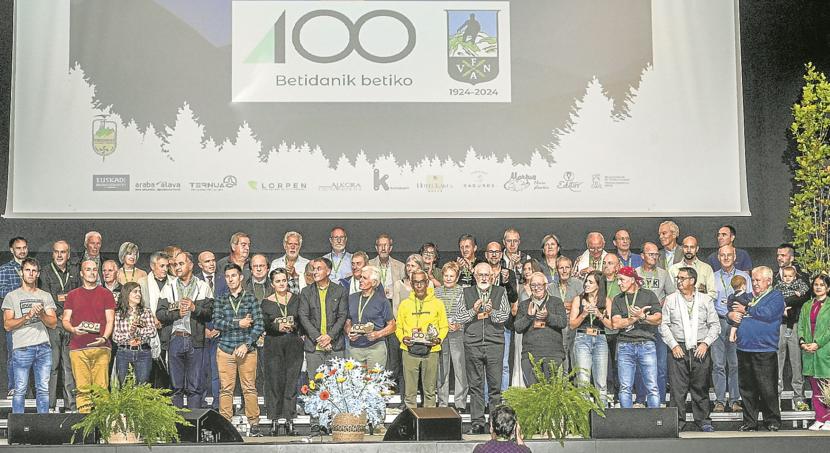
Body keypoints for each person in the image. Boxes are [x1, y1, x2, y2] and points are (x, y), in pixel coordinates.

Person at [659, 267, 720, 432]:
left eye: (682, 278)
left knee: (700, 387)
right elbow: (663, 325)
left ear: (692, 280)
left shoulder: (705, 299)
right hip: (678, 348)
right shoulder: (671, 299)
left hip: (700, 348)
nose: (679, 281)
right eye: (678, 278)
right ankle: (677, 422)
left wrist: (706, 343)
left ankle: (703, 420)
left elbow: (715, 325)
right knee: (677, 389)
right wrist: (673, 345)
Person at [453, 262, 510, 434]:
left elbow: (505, 316)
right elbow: (458, 316)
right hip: (473, 343)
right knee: (475, 385)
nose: (484, 278)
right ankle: (477, 423)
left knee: (495, 386)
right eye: (481, 275)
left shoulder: (501, 292)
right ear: (475, 276)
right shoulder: (465, 292)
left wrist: (492, 311)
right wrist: (473, 310)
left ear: (492, 276)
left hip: (494, 343)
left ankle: (496, 424)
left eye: (487, 275)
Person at [729, 266, 785, 431]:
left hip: (764, 349)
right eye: (753, 280)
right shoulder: (746, 296)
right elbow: (732, 306)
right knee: (747, 389)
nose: (754, 283)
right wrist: (730, 315)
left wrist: (746, 309)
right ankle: (750, 421)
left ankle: (772, 420)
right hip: (744, 348)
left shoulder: (776, 296)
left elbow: (767, 313)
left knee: (767, 387)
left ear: (769, 281)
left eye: (758, 280)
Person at [212, 263, 264, 435]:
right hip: (225, 349)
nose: (230, 279)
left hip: (246, 350)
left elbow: (259, 325)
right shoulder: (220, 299)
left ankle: (254, 424)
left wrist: (247, 344)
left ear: (241, 277)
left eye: (233, 275)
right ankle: (225, 426)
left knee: (249, 387)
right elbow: (217, 323)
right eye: (227, 276)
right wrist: (239, 323)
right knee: (225, 389)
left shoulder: (250, 299)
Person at [157, 251, 214, 409]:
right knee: (176, 387)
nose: (177, 267)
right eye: (175, 265)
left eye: (181, 264)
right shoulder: (169, 287)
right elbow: (160, 313)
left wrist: (194, 308)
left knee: (194, 386)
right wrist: (176, 314)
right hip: (175, 339)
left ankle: (192, 427)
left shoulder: (203, 287)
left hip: (194, 340)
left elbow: (210, 314)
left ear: (191, 265)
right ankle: (178, 427)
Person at [2, 258, 57, 414]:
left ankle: (43, 427)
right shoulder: (11, 296)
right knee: (20, 389)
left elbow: (53, 322)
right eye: (27, 270)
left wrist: (40, 314)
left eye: (34, 271)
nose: (31, 273)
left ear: (38, 274)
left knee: (43, 389)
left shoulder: (45, 295)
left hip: (43, 347)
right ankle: (18, 428)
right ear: (21, 273)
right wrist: (27, 316)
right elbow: (7, 325)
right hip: (22, 348)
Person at [63, 259, 115, 413]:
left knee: (102, 390)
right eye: (88, 269)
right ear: (81, 273)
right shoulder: (72, 295)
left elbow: (110, 319)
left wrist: (104, 338)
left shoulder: (106, 294)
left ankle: (102, 428)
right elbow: (65, 320)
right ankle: (86, 430)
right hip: (78, 348)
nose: (92, 272)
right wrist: (73, 329)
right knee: (82, 390)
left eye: (94, 269)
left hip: (101, 348)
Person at [611, 266, 662, 408]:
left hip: (646, 343)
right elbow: (616, 323)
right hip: (624, 345)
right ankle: (626, 425)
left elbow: (658, 318)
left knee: (652, 386)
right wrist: (636, 318)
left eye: (622, 280)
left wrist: (643, 316)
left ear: (633, 280)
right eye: (618, 280)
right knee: (625, 387)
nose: (619, 283)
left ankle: (655, 421)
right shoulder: (618, 299)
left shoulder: (648, 295)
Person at [260, 268, 304, 435]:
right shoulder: (266, 302)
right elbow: (263, 324)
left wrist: (296, 328)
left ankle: (290, 419)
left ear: (288, 281)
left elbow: (302, 319)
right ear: (272, 284)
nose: (281, 284)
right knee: (274, 382)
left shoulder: (296, 300)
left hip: (293, 344)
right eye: (277, 281)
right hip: (273, 345)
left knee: (291, 382)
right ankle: (274, 419)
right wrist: (277, 326)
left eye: (284, 280)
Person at [396, 270, 448, 409]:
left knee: (430, 391)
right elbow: (398, 327)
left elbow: (444, 326)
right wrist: (403, 338)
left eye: (422, 282)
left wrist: (438, 339)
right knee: (410, 392)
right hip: (409, 350)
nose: (419, 286)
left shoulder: (438, 304)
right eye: (416, 282)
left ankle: (429, 423)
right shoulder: (404, 304)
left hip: (431, 350)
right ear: (411, 284)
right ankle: (410, 424)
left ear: (427, 283)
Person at [39, 240, 79, 412]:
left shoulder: (74, 272)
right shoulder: (45, 273)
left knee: (68, 367)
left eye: (63, 252)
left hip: (70, 324)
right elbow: (46, 298)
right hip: (54, 325)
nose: (60, 255)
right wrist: (61, 315)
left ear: (68, 254)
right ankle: (50, 406)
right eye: (57, 252)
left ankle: (71, 406)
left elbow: (78, 296)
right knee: (53, 366)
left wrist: (68, 317)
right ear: (52, 254)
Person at [635, 241, 675, 406]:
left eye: (656, 254)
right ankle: (640, 398)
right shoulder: (635, 273)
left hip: (658, 324)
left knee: (660, 365)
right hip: (639, 323)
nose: (654, 257)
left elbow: (672, 296)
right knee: (639, 364)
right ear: (642, 256)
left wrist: (661, 306)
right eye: (650, 254)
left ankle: (658, 400)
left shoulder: (664, 274)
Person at [711, 244, 750, 412]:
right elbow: (708, 302)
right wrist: (728, 314)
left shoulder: (744, 277)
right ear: (718, 258)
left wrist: (737, 315)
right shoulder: (712, 277)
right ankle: (719, 400)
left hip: (738, 323)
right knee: (718, 364)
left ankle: (735, 400)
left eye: (729, 255)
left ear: (735, 257)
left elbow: (750, 300)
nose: (726, 258)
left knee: (735, 364)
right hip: (717, 323)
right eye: (722, 255)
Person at [513, 272, 568, 384]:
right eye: (533, 285)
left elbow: (563, 323)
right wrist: (529, 317)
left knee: (552, 393)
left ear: (545, 285)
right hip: (530, 355)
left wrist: (548, 316)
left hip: (553, 354)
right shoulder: (524, 304)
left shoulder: (556, 302)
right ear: (529, 286)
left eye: (539, 285)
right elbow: (517, 327)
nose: (537, 288)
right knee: (534, 394)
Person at [298, 258, 349, 377]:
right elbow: (303, 317)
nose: (314, 272)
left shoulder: (340, 291)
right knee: (315, 387)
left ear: (328, 271)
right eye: (313, 269)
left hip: (335, 346)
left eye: (319, 269)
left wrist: (330, 337)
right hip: (314, 347)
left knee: (337, 386)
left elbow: (342, 316)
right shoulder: (306, 292)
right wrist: (319, 338)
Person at [569, 271, 613, 406]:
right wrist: (584, 314)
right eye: (586, 281)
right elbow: (572, 325)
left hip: (600, 339)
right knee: (583, 380)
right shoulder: (578, 299)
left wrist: (599, 315)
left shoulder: (606, 301)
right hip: (582, 338)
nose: (587, 284)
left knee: (601, 381)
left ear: (599, 285)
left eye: (591, 282)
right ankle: (584, 417)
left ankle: (602, 418)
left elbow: (611, 326)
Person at [345, 265, 395, 367]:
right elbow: (347, 321)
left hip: (375, 348)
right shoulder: (351, 298)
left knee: (374, 381)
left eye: (365, 278)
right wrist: (349, 331)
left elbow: (392, 326)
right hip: (355, 348)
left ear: (374, 282)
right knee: (355, 381)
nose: (361, 280)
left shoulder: (382, 301)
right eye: (361, 277)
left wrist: (378, 334)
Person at [775, 265, 810, 410]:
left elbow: (804, 296)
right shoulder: (777, 286)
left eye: (790, 276)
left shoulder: (800, 284)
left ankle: (799, 398)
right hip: (778, 325)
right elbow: (773, 300)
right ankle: (775, 397)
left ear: (795, 276)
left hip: (794, 325)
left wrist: (787, 301)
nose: (787, 278)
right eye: (785, 276)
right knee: (777, 362)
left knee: (796, 362)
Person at [435, 261, 468, 413]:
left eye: (451, 276)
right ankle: (442, 402)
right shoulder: (436, 292)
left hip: (457, 334)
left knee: (459, 368)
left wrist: (459, 325)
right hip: (441, 335)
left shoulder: (463, 292)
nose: (448, 278)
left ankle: (460, 403)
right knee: (442, 369)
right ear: (442, 276)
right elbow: (433, 313)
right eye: (446, 276)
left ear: (457, 276)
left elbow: (468, 313)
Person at [799, 274, 830, 430]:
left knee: (827, 386)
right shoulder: (806, 305)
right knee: (815, 386)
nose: (818, 287)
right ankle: (820, 418)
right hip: (809, 351)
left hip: (825, 350)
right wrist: (803, 341)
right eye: (816, 284)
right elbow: (801, 326)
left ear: (828, 288)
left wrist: (818, 343)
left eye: (822, 285)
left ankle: (829, 419)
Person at [112, 282, 155, 385]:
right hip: (124, 352)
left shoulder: (146, 312)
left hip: (143, 352)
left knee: (142, 387)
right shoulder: (118, 313)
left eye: (139, 292)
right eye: (135, 292)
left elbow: (152, 331)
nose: (138, 294)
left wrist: (138, 331)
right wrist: (130, 334)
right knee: (124, 388)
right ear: (127, 294)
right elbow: (115, 336)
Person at [1, 236, 28, 397]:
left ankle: (30, 388)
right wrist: (20, 292)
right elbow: (1, 291)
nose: (22, 250)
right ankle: (13, 387)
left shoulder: (32, 267)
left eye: (24, 247)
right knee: (14, 353)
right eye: (18, 248)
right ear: (12, 250)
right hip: (13, 318)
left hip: (33, 319)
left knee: (34, 354)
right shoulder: (5, 269)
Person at [668, 236, 717, 300]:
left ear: (697, 249)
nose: (688, 250)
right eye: (686, 247)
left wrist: (698, 302)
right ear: (682, 248)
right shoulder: (673, 269)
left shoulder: (706, 269)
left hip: (701, 307)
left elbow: (713, 293)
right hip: (679, 307)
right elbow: (670, 293)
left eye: (692, 247)